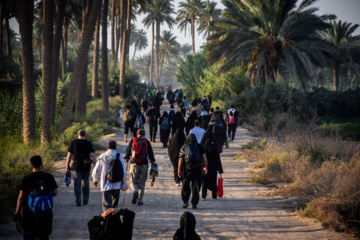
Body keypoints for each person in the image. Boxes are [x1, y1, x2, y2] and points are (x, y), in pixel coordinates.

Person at [14, 155, 58, 240]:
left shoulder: (26, 178)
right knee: (44, 235)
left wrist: (17, 211)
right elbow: (55, 192)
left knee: (29, 235)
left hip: (29, 212)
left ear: (31, 165)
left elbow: (21, 197)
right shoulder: (49, 177)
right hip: (45, 211)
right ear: (41, 164)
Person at [92, 140, 126, 212]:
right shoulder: (120, 156)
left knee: (106, 205)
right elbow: (124, 171)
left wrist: (95, 180)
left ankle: (107, 219)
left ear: (107, 147)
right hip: (117, 184)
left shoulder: (102, 156)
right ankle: (114, 220)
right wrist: (123, 181)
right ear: (115, 148)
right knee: (115, 207)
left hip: (106, 185)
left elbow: (96, 170)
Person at [125, 129, 156, 206]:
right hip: (144, 164)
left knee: (133, 181)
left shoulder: (133, 140)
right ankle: (140, 201)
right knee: (142, 183)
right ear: (144, 134)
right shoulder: (146, 141)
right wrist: (152, 162)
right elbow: (151, 153)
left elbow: (128, 151)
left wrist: (127, 159)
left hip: (134, 164)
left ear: (137, 134)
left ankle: (135, 190)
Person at [178, 134, 208, 209]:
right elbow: (204, 159)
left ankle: (185, 202)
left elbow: (180, 159)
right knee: (196, 187)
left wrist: (179, 169)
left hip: (187, 170)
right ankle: (194, 204)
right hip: (197, 169)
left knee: (185, 186)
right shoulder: (199, 146)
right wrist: (205, 167)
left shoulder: (184, 147)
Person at [66, 130, 96, 206]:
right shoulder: (89, 143)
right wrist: (95, 166)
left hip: (76, 166)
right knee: (86, 183)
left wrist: (67, 165)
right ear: (85, 135)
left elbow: (69, 155)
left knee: (77, 184)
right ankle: (85, 200)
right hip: (86, 166)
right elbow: (92, 155)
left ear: (78, 135)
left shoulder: (73, 142)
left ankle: (78, 201)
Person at [200, 129, 223, 200]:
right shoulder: (214, 148)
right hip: (213, 168)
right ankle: (214, 196)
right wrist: (220, 170)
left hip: (205, 167)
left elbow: (201, 159)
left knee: (204, 181)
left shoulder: (203, 147)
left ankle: (204, 196)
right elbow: (218, 160)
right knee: (213, 181)